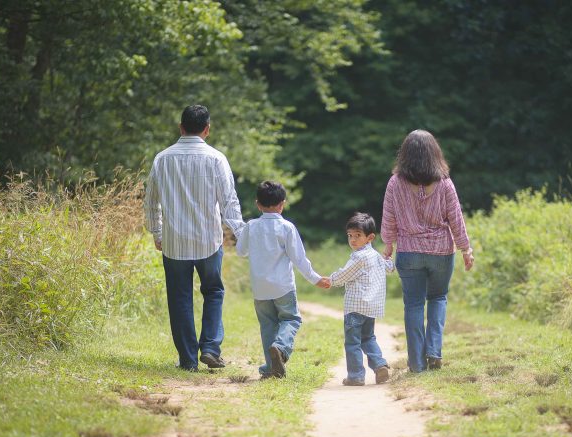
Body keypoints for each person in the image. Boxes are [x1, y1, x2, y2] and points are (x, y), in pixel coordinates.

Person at [144, 105, 245, 371]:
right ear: (207, 129)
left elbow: (151, 202)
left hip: (174, 242)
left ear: (181, 128)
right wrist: (242, 234)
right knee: (213, 291)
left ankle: (188, 360)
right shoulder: (216, 159)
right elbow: (229, 201)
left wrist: (157, 232)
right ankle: (211, 347)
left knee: (179, 299)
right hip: (208, 241)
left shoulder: (162, 159)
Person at [381, 129, 474, 373]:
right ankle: (434, 352)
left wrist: (388, 245)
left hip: (409, 252)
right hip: (441, 253)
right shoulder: (445, 183)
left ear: (405, 155)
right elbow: (456, 219)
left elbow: (389, 217)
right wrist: (466, 248)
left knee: (413, 305)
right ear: (435, 154)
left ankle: (417, 363)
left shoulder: (395, 183)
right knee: (438, 298)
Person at [236, 181, 330, 379]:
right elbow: (299, 259)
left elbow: (240, 251)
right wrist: (315, 279)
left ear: (257, 204)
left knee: (267, 325)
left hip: (260, 288)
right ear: (282, 204)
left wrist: (245, 233)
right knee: (291, 319)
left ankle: (272, 368)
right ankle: (280, 348)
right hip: (283, 287)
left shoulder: (251, 226)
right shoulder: (287, 227)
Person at [326, 212, 393, 386]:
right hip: (371, 308)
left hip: (355, 308)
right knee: (368, 338)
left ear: (370, 237)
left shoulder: (358, 257)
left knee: (353, 342)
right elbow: (390, 267)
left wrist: (330, 280)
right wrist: (390, 258)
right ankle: (379, 365)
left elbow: (344, 275)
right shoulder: (376, 256)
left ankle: (355, 376)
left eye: (358, 236)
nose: (353, 240)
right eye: (350, 235)